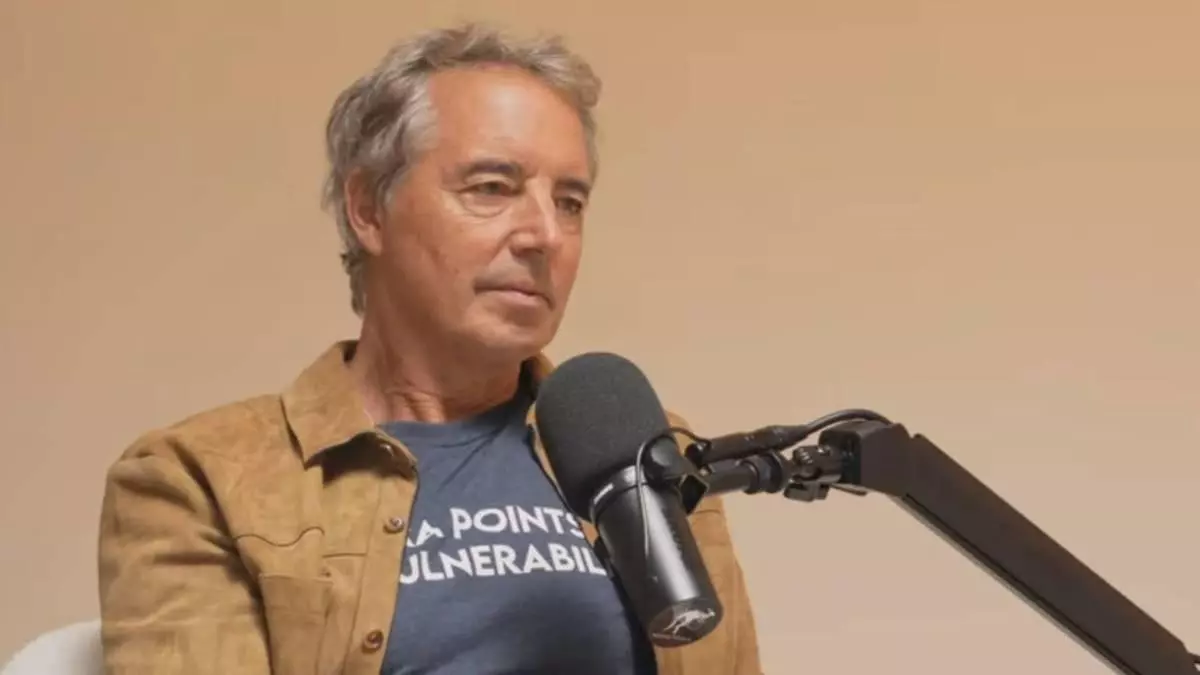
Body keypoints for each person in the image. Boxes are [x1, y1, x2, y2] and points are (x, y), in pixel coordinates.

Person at [97, 23, 762, 675]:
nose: (545, 235)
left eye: (569, 202)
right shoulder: (198, 477)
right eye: (492, 188)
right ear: (368, 209)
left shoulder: (645, 452)